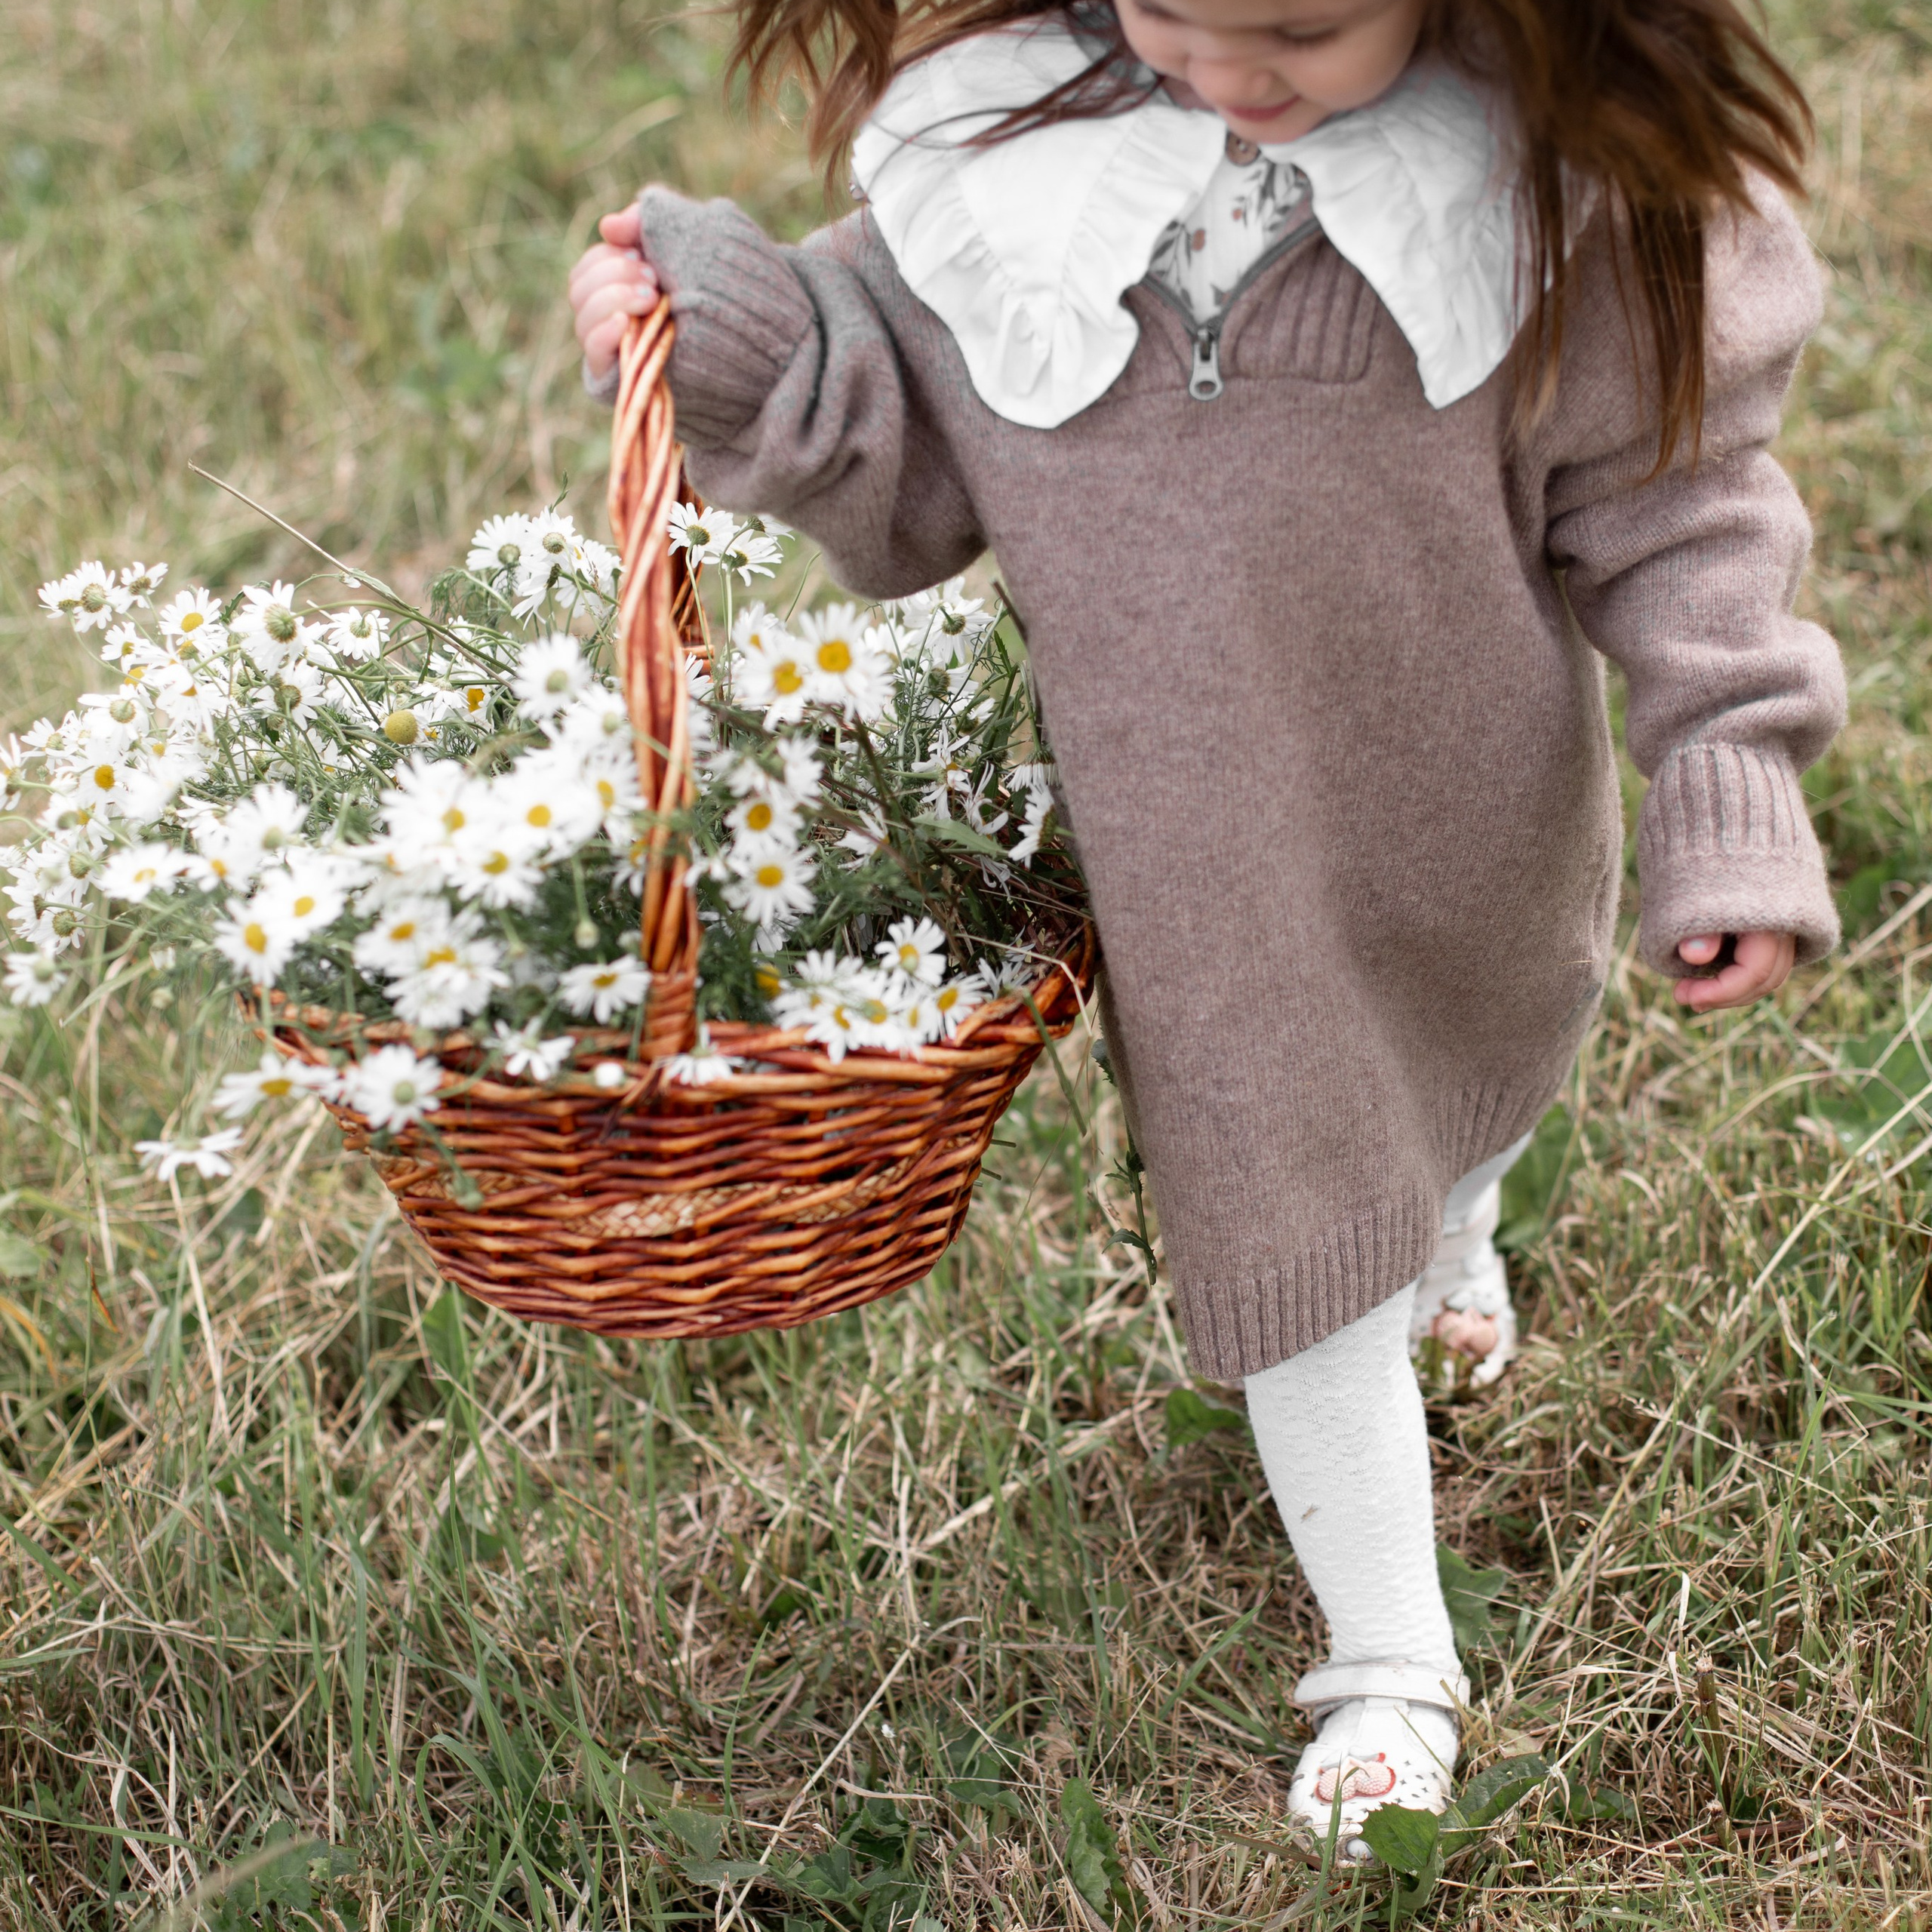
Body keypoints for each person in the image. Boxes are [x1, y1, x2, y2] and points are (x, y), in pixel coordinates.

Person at [566, 0, 1843, 1859]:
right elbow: (895, 449)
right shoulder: (1001, 166)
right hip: (1206, 873)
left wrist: (1728, 788)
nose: (1227, 79)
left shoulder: (1551, 202)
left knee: (1471, 1079)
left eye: (1304, 33)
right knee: (1298, 1215)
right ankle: (1391, 1659)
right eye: (1171, 15)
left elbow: (1677, 509)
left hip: (1472, 809)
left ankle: (1462, 1232)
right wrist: (733, 331)